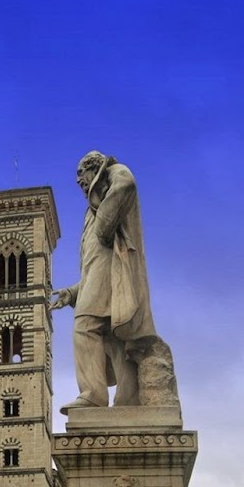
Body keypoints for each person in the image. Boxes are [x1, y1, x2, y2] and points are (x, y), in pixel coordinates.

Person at [51, 151, 157, 414]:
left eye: (81, 174)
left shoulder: (115, 173)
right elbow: (92, 263)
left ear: (94, 167)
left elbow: (127, 184)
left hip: (112, 274)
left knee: (85, 326)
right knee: (114, 338)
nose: (79, 182)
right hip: (101, 276)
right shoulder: (92, 206)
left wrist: (104, 221)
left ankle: (92, 394)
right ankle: (129, 398)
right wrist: (73, 293)